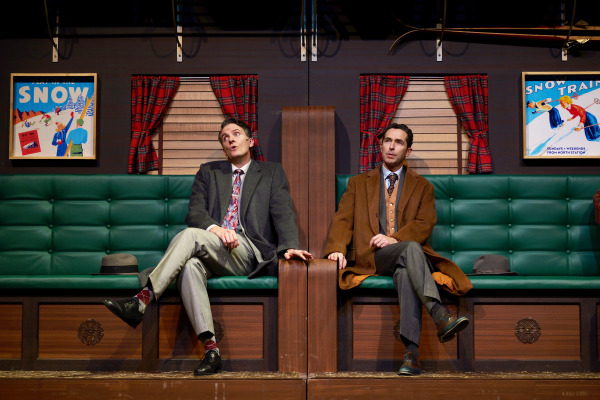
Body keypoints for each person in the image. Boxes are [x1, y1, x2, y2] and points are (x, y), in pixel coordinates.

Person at [104, 117, 312, 375]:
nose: (231, 139)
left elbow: (283, 213)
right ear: (224, 148)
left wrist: (288, 247)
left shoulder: (271, 173)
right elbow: (195, 213)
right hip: (213, 249)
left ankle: (142, 299)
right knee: (191, 266)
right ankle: (211, 351)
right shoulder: (208, 172)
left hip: (248, 251)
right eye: (225, 138)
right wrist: (216, 229)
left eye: (236, 134)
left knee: (191, 236)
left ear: (250, 140)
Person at [324, 123, 473, 376]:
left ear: (409, 150)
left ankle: (411, 355)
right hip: (372, 256)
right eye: (387, 141)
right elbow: (343, 218)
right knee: (411, 250)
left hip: (407, 257)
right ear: (380, 145)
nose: (392, 146)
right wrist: (336, 248)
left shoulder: (422, 186)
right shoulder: (358, 183)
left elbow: (425, 224)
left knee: (407, 269)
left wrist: (395, 239)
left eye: (399, 142)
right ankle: (438, 313)